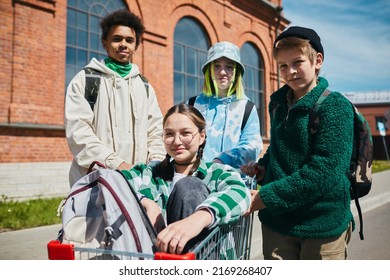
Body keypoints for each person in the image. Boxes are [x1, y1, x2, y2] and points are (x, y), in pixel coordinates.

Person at [240, 26, 354, 260]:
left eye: (297, 62)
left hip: (321, 224)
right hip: (277, 223)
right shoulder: (278, 104)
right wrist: (264, 167)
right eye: (283, 65)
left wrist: (266, 197)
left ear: (317, 61)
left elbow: (324, 170)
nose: (290, 71)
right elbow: (279, 147)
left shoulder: (335, 106)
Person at [122, 103, 250, 255]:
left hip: (208, 257)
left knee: (189, 187)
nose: (177, 141)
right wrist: (146, 202)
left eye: (185, 133)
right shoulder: (150, 174)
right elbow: (109, 183)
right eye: (169, 134)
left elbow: (240, 192)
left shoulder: (215, 173)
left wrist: (200, 218)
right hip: (159, 259)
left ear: (202, 136)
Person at [65, 9, 165, 186]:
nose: (123, 44)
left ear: (136, 46)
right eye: (117, 38)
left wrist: (156, 161)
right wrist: (116, 163)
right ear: (105, 42)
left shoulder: (144, 86)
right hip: (96, 181)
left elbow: (155, 130)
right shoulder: (86, 80)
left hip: (139, 182)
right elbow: (78, 132)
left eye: (129, 40)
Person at [186, 41, 263, 169]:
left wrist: (223, 160)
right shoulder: (193, 105)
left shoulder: (247, 108)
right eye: (217, 66)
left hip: (233, 182)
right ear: (209, 71)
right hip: (196, 179)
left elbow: (252, 147)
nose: (222, 72)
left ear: (236, 72)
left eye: (229, 67)